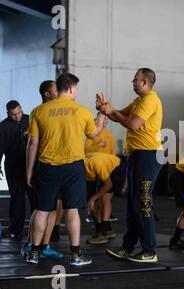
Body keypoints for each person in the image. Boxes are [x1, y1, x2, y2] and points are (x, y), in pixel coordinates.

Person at [26, 73, 105, 265]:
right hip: (73, 168)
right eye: (76, 88)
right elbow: (94, 135)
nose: (76, 92)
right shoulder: (83, 111)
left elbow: (32, 144)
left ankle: (33, 254)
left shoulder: (38, 111)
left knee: (42, 210)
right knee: (71, 211)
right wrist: (102, 112)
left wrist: (29, 171)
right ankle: (76, 256)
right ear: (70, 88)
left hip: (46, 167)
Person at [99, 68, 163, 263]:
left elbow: (132, 124)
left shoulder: (150, 100)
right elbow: (119, 115)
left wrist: (112, 113)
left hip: (148, 155)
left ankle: (150, 250)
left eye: (136, 79)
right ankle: (128, 247)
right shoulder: (139, 101)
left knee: (142, 202)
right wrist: (107, 109)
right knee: (133, 204)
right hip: (137, 155)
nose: (132, 81)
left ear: (144, 82)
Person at [21, 80, 65, 260]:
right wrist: (29, 171)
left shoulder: (60, 112)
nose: (60, 90)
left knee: (55, 208)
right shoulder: (39, 113)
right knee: (41, 209)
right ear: (47, 93)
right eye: (56, 88)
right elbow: (32, 144)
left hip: (60, 166)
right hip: (44, 166)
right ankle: (31, 245)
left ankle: (45, 246)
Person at [0, 100, 30, 240]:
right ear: (8, 113)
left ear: (21, 109)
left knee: (35, 198)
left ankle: (37, 231)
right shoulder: (3, 126)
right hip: (13, 166)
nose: (17, 116)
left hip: (30, 165)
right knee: (17, 198)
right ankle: (15, 230)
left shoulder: (29, 120)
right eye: (13, 114)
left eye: (19, 112)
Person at [84, 152, 121, 244]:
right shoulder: (80, 168)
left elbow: (109, 185)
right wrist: (91, 200)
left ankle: (103, 234)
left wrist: (92, 199)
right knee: (93, 199)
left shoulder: (95, 164)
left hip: (116, 168)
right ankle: (105, 231)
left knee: (105, 197)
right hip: (101, 167)